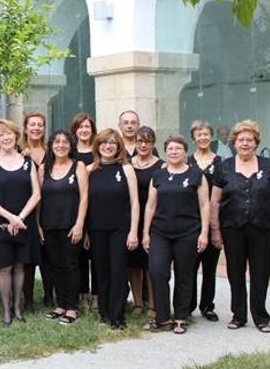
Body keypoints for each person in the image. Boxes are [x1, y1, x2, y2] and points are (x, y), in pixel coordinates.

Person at [210, 120, 270, 333]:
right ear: (234, 142)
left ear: (256, 142)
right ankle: (238, 315)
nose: (245, 143)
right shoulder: (223, 167)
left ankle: (260, 317)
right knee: (235, 272)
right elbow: (215, 200)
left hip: (261, 227)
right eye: (241, 139)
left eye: (249, 140)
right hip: (232, 227)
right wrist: (215, 229)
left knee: (261, 272)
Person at [143, 134, 209, 335]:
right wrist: (145, 233)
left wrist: (204, 232)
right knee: (157, 271)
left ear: (185, 151)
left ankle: (181, 316)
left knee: (184, 274)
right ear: (166, 151)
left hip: (188, 232)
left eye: (178, 149)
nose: (174, 152)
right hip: (160, 232)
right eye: (170, 149)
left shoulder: (197, 175)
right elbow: (150, 205)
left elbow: (205, 205)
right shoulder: (158, 176)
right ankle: (162, 317)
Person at [0, 119, 41, 326]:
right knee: (4, 267)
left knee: (19, 266)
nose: (6, 137)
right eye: (1, 135)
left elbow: (36, 194)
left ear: (16, 137)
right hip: (0, 221)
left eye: (9, 134)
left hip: (24, 221)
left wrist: (21, 217)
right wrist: (11, 218)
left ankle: (18, 307)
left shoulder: (27, 162)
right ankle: (6, 310)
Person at [86, 129, 140, 330]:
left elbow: (135, 203)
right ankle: (105, 312)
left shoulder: (125, 168)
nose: (107, 147)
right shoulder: (89, 170)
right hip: (96, 229)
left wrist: (133, 231)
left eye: (112, 143)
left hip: (120, 229)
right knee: (101, 272)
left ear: (118, 146)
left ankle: (118, 316)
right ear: (97, 146)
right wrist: (84, 232)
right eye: (103, 143)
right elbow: (84, 204)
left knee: (118, 271)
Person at [38, 130, 88, 325]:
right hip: (49, 224)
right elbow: (38, 199)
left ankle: (72, 307)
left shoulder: (78, 166)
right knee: (55, 265)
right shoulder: (43, 168)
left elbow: (84, 197)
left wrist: (79, 224)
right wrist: (38, 225)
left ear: (71, 146)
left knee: (71, 265)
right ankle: (60, 305)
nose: (60, 145)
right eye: (57, 142)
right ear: (51, 146)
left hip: (70, 225)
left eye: (65, 142)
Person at [188, 120, 223, 321]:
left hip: (213, 222)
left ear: (211, 137)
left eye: (206, 134)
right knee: (189, 266)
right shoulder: (187, 161)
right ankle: (189, 304)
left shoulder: (220, 162)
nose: (203, 138)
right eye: (199, 135)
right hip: (190, 222)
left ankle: (207, 305)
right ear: (193, 138)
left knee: (210, 266)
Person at [129, 126, 162, 317]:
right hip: (132, 218)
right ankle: (138, 303)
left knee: (152, 263)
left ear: (153, 144)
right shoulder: (127, 163)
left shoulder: (161, 165)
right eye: (140, 141)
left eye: (147, 141)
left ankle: (153, 304)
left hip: (154, 219)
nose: (143, 145)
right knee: (133, 264)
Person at [21, 112, 52, 309]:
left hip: (50, 208)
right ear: (25, 128)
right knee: (28, 258)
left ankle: (50, 295)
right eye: (32, 125)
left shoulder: (53, 152)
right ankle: (28, 300)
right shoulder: (18, 153)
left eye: (40, 125)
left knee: (49, 256)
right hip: (27, 210)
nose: (36, 128)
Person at [69, 112, 97, 309]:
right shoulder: (70, 153)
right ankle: (81, 293)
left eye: (87, 127)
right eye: (81, 127)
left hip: (97, 207)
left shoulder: (99, 151)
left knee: (96, 254)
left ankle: (96, 295)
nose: (84, 130)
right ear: (75, 131)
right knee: (77, 254)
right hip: (75, 207)